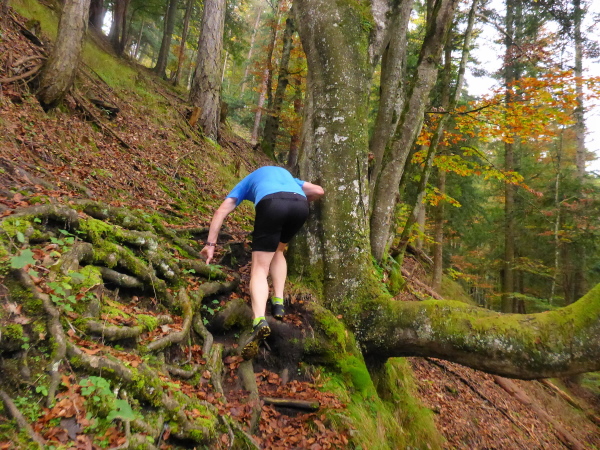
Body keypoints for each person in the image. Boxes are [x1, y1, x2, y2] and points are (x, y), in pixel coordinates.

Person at [200, 166, 324, 359]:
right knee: (279, 250)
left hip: (272, 205)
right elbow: (318, 191)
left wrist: (210, 245)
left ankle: (259, 320)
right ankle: (278, 302)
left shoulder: (249, 180)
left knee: (259, 268)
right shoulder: (289, 179)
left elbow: (220, 211)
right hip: (300, 205)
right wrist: (296, 202)